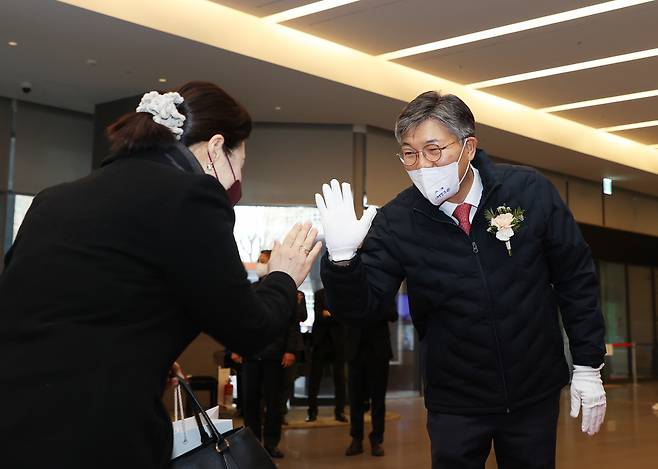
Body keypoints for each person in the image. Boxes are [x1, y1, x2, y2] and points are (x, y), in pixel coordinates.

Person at [0, 81, 322, 469]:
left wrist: (143, 351)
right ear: (217, 148)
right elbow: (249, 329)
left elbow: (46, 307)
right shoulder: (191, 196)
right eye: (242, 163)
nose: (238, 177)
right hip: (96, 432)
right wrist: (284, 277)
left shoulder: (54, 198)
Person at [315, 91, 607, 469]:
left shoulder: (528, 191)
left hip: (533, 393)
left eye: (433, 150)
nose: (421, 165)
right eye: (409, 153)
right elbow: (362, 308)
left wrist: (587, 364)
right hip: (455, 403)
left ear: (468, 147)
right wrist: (342, 262)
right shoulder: (397, 221)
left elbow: (575, 277)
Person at [240, 249, 305, 459]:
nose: (261, 265)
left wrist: (290, 350)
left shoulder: (285, 292)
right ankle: (253, 444)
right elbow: (242, 321)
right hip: (251, 356)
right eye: (259, 261)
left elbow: (293, 324)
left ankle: (271, 444)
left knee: (274, 403)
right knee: (250, 403)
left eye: (264, 261)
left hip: (275, 356)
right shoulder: (250, 290)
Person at [344, 300, 398, 457]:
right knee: (355, 399)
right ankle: (356, 439)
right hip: (355, 350)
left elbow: (393, 315)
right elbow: (343, 315)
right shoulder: (351, 289)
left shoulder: (384, 291)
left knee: (378, 399)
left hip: (378, 351)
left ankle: (377, 440)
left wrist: (375, 306)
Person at [306, 288, 347, 422]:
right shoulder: (319, 294)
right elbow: (318, 315)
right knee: (314, 380)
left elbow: (343, 317)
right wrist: (331, 315)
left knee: (340, 380)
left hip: (338, 343)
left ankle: (340, 412)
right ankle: (312, 412)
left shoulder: (342, 294)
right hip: (320, 342)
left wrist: (328, 314)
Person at [281, 290, 308, 423]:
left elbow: (303, 316)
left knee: (288, 381)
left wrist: (297, 302)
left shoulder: (299, 295)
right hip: (275, 342)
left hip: (293, 343)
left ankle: (281, 413)